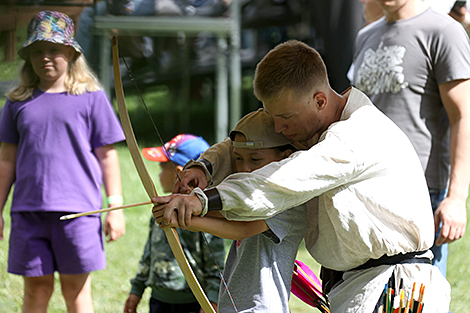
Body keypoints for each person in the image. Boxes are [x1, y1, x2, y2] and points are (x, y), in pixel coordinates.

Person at [153, 40, 451, 312]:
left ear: (319, 100)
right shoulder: (311, 125)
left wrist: (203, 202)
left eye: (285, 118)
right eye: (274, 118)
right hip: (357, 287)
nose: (279, 129)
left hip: (391, 287)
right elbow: (237, 145)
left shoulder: (355, 136)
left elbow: (278, 179)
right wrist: (202, 168)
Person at [0, 11, 126, 313]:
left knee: (77, 292)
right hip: (28, 214)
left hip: (79, 213)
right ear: (28, 56)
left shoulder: (91, 98)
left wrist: (116, 206)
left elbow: (107, 156)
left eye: (54, 50)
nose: (46, 58)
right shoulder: (18, 101)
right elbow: (6, 159)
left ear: (70, 52)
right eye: (37, 51)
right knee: (36, 291)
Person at [351, 0, 470, 279]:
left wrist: (455, 198)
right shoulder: (365, 36)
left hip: (421, 191)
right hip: (367, 190)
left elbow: (463, 117)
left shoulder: (444, 31)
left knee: (420, 297)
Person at [156, 110, 308, 312]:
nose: (244, 168)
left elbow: (242, 228)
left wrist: (186, 219)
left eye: (255, 160)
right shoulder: (247, 196)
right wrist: (184, 204)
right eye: (238, 159)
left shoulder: (288, 197)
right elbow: (226, 213)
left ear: (285, 157)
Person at [124, 134, 225, 313]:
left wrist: (212, 301)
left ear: (180, 173)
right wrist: (137, 289)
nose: (159, 174)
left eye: (162, 168)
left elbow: (215, 266)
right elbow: (150, 252)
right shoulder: (160, 210)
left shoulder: (206, 218)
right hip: (158, 299)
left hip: (192, 302)